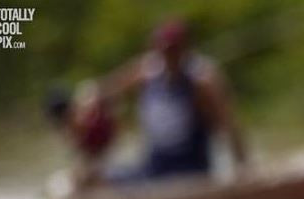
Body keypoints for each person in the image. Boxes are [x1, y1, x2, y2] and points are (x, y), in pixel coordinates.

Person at [96, 18, 248, 182]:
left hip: (190, 168)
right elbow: (107, 90)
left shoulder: (201, 81)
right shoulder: (147, 71)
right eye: (163, 50)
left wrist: (242, 164)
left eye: (173, 50)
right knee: (94, 178)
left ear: (185, 48)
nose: (168, 55)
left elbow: (228, 123)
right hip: (154, 165)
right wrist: (93, 102)